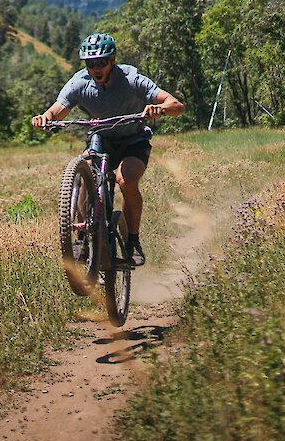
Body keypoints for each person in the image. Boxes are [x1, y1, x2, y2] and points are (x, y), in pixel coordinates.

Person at [31, 32, 184, 266]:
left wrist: (159, 109)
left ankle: (133, 241)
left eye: (101, 62)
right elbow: (57, 110)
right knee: (84, 172)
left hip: (133, 140)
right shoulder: (79, 83)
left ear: (112, 61)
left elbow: (176, 105)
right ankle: (82, 236)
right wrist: (45, 117)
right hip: (101, 139)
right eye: (90, 63)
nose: (96, 68)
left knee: (126, 180)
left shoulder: (132, 79)